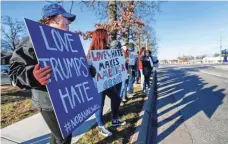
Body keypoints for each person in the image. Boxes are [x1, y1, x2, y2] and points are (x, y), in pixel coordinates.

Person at [8, 4, 96, 144]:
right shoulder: (33, 38)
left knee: (62, 135)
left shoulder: (69, 43)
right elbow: (14, 72)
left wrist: (87, 70)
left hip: (67, 99)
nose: (69, 22)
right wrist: (32, 76)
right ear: (51, 18)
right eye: (65, 17)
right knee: (63, 137)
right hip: (48, 101)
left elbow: (74, 67)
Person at [87, 29, 126, 137]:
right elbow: (86, 68)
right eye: (107, 35)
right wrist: (89, 69)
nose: (109, 37)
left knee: (116, 98)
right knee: (100, 104)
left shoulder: (108, 50)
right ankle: (101, 126)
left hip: (107, 82)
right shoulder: (92, 52)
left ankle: (114, 119)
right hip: (97, 83)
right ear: (101, 37)